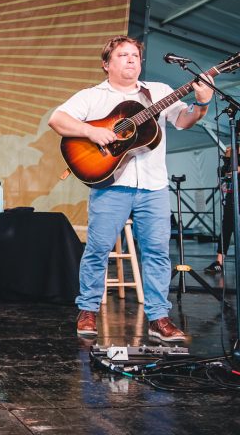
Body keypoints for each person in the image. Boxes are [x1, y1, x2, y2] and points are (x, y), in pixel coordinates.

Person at [48, 35, 212, 342]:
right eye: (123, 55)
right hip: (112, 185)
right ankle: (87, 311)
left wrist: (201, 103)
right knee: (98, 250)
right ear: (106, 64)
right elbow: (57, 119)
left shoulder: (159, 92)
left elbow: (184, 120)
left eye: (135, 55)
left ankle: (158, 318)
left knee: (157, 253)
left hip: (154, 185)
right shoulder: (92, 96)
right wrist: (91, 132)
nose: (131, 60)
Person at [207, 145, 237, 274]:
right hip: (233, 194)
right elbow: (223, 171)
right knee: (227, 225)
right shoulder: (234, 148)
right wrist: (227, 157)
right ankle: (219, 261)